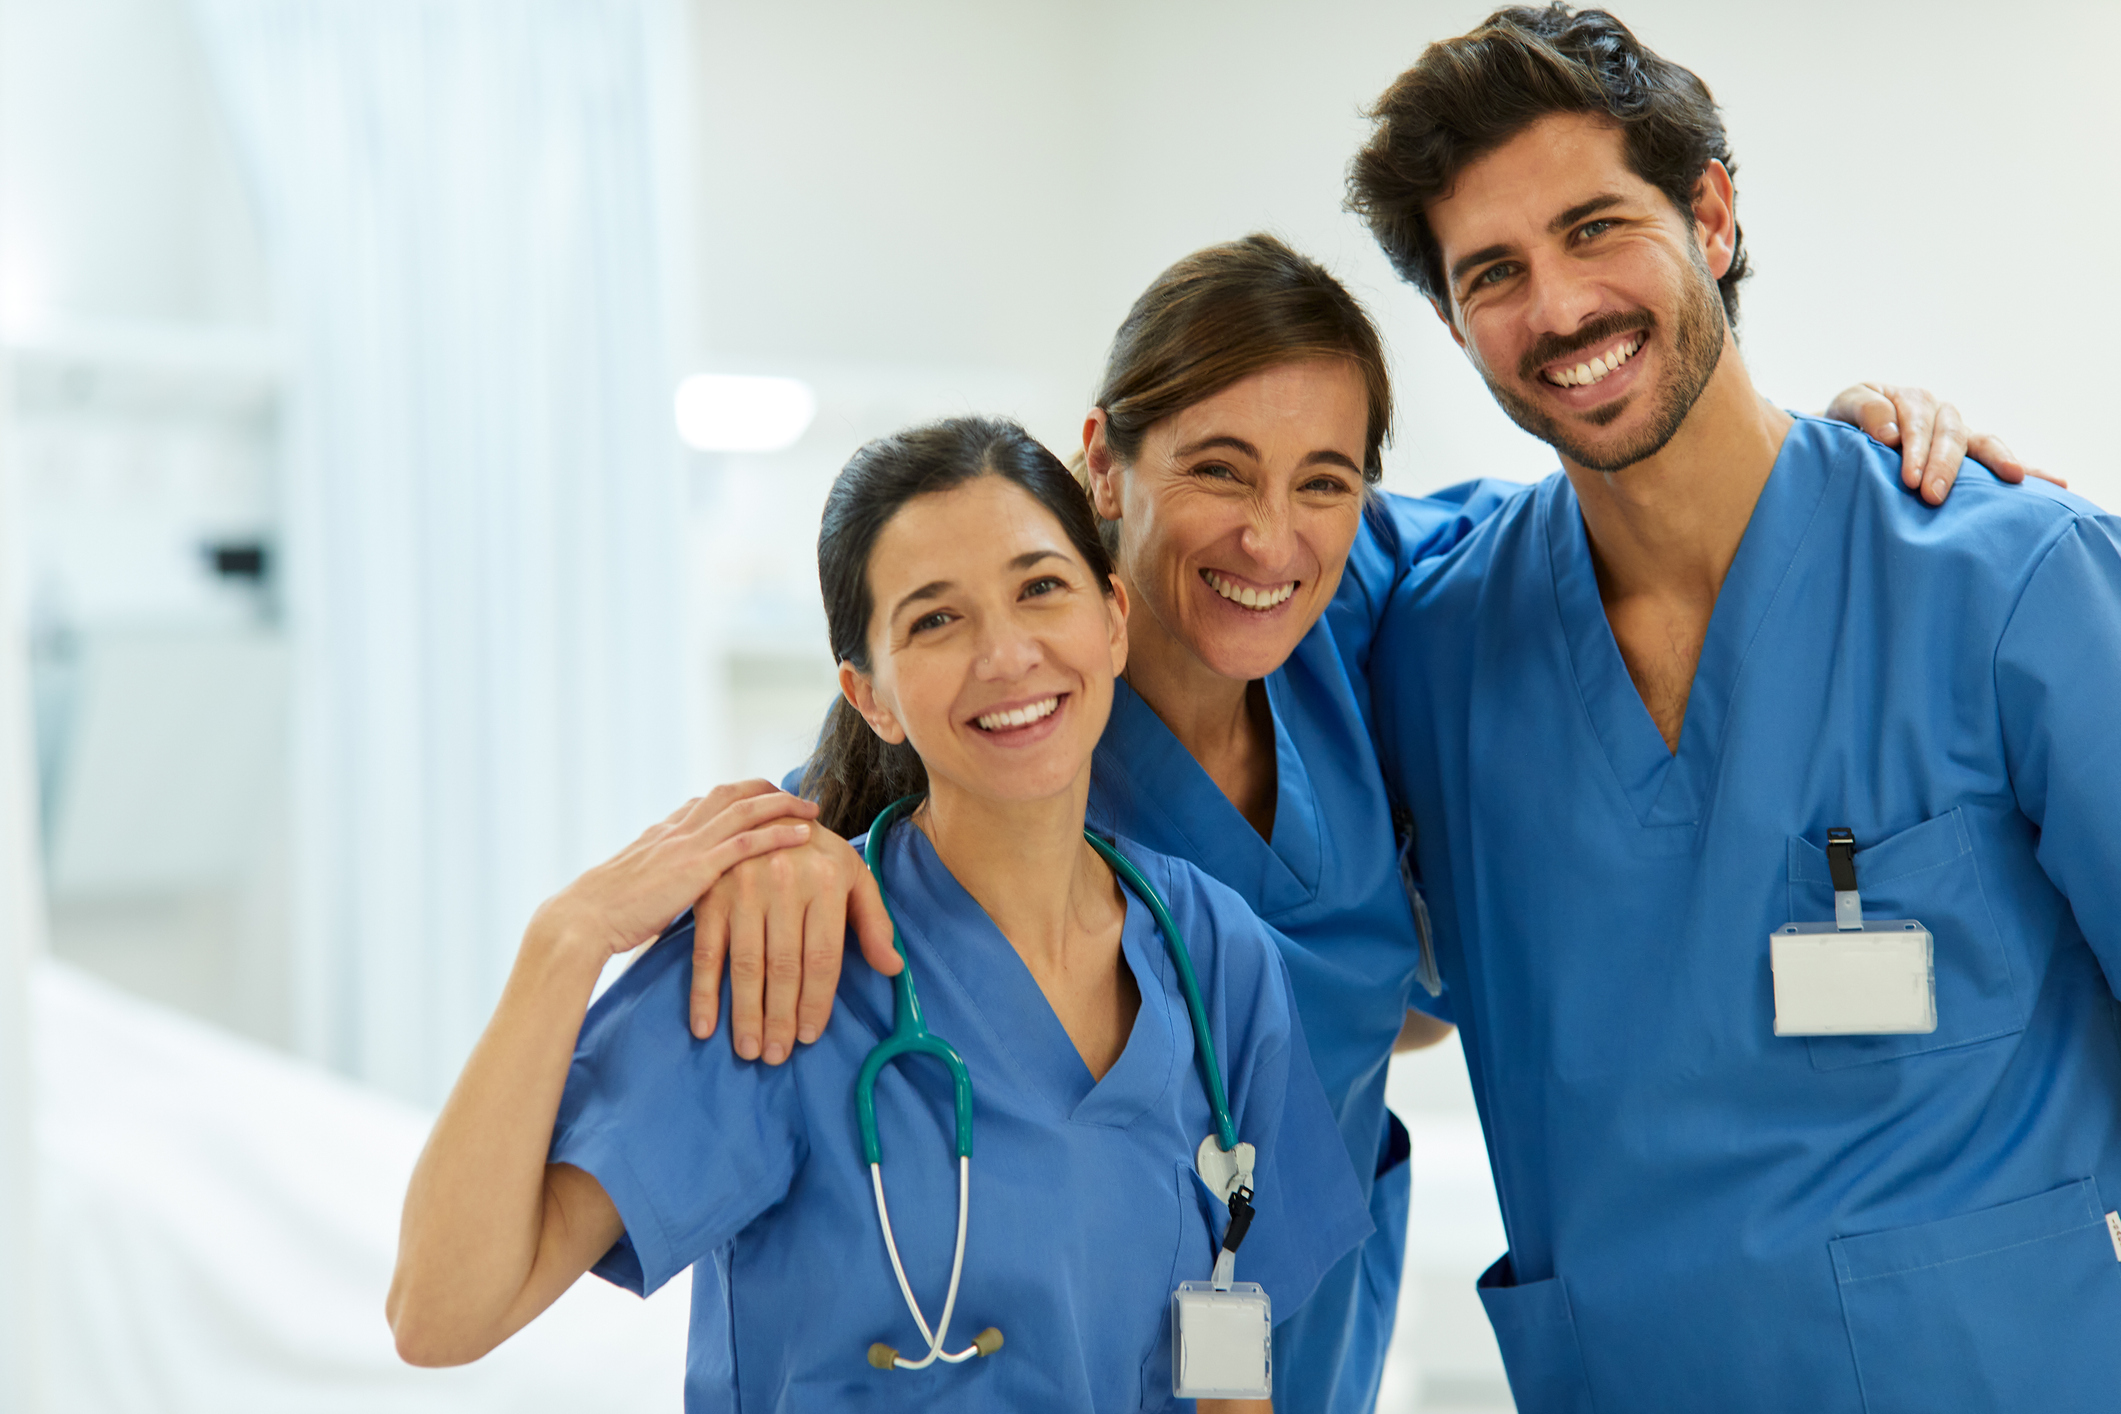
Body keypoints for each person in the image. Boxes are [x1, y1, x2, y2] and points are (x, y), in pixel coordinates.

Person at [673, 238, 2035, 1411]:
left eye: (1323, 479)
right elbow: (869, 783)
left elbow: (1647, 511)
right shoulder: (1015, 714)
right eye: (1218, 468)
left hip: (1300, 1331)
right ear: (1104, 461)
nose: (1272, 537)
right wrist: (784, 858)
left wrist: (1828, 454)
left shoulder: (1350, 604)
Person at [1342, 6, 2121, 1411]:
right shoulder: (1434, 647)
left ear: (1710, 213)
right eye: (1494, 272)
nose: (1560, 308)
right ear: (1453, 322)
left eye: (1594, 228)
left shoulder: (2005, 580)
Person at [385, 417, 1371, 1413]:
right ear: (871, 694)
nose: (1007, 653)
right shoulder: (784, 963)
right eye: (935, 620)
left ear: (1112, 619)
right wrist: (569, 935)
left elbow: (1230, 1314)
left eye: (1040, 587)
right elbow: (441, 1312)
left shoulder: (1213, 957)